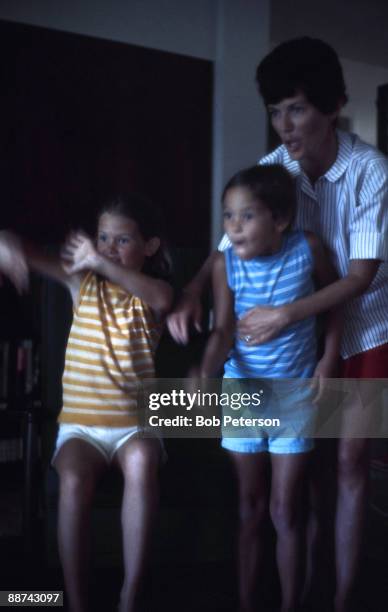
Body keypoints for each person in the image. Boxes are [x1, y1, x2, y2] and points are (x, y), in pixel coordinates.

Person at [168, 37, 388, 612]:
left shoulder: (370, 172)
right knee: (307, 475)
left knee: (348, 463)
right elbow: (224, 252)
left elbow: (359, 278)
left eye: (296, 108)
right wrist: (192, 292)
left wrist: (285, 314)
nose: (284, 125)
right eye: (275, 110)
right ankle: (305, 588)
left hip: (366, 327)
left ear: (333, 106)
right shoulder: (272, 173)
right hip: (292, 346)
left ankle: (343, 599)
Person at [0, 193, 173, 612]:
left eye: (123, 240)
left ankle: (130, 593)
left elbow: (164, 300)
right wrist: (7, 246)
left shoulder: (153, 293)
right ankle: (76, 601)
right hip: (82, 427)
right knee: (73, 481)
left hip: (134, 425)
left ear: (149, 246)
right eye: (103, 238)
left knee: (142, 462)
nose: (109, 247)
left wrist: (102, 260)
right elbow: (22, 247)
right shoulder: (83, 282)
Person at [194, 164, 340, 612]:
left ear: (279, 219)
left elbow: (336, 302)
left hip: (295, 395)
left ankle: (290, 603)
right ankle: (246, 602)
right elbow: (222, 332)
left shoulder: (306, 248)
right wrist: (205, 373)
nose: (233, 226)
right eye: (228, 216)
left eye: (247, 215)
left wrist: (329, 357)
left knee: (284, 510)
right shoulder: (224, 263)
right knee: (250, 508)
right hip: (243, 393)